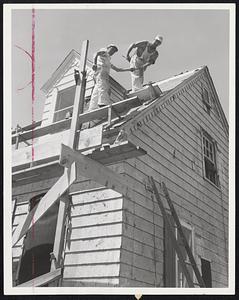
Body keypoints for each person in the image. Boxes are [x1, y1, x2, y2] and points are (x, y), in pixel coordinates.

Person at [88, 44, 134, 111]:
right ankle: (102, 103)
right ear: (108, 48)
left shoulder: (108, 60)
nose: (112, 52)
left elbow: (117, 69)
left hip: (103, 74)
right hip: (101, 72)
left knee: (97, 90)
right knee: (103, 87)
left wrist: (129, 69)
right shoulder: (104, 51)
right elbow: (96, 54)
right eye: (112, 49)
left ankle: (92, 107)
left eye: (114, 51)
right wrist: (94, 64)